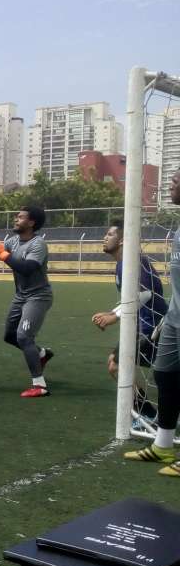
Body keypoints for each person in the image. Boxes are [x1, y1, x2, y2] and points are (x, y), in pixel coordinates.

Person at [125, 170, 180, 477]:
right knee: (164, 374)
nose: (169, 185)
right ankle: (163, 444)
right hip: (174, 319)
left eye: (175, 180)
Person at [91, 220, 166, 421]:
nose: (104, 238)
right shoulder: (123, 263)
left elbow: (144, 295)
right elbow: (132, 299)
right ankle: (148, 415)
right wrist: (112, 312)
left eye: (110, 234)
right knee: (119, 365)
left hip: (151, 325)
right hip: (143, 325)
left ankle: (147, 416)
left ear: (123, 240)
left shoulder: (133, 262)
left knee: (118, 365)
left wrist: (114, 316)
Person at [0, 207, 54, 398]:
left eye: (20, 217)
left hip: (38, 296)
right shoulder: (12, 241)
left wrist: (3, 254)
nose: (16, 219)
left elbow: (27, 268)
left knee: (23, 337)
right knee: (9, 336)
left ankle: (40, 385)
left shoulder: (38, 244)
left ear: (31, 223)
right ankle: (42, 354)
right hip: (20, 296)